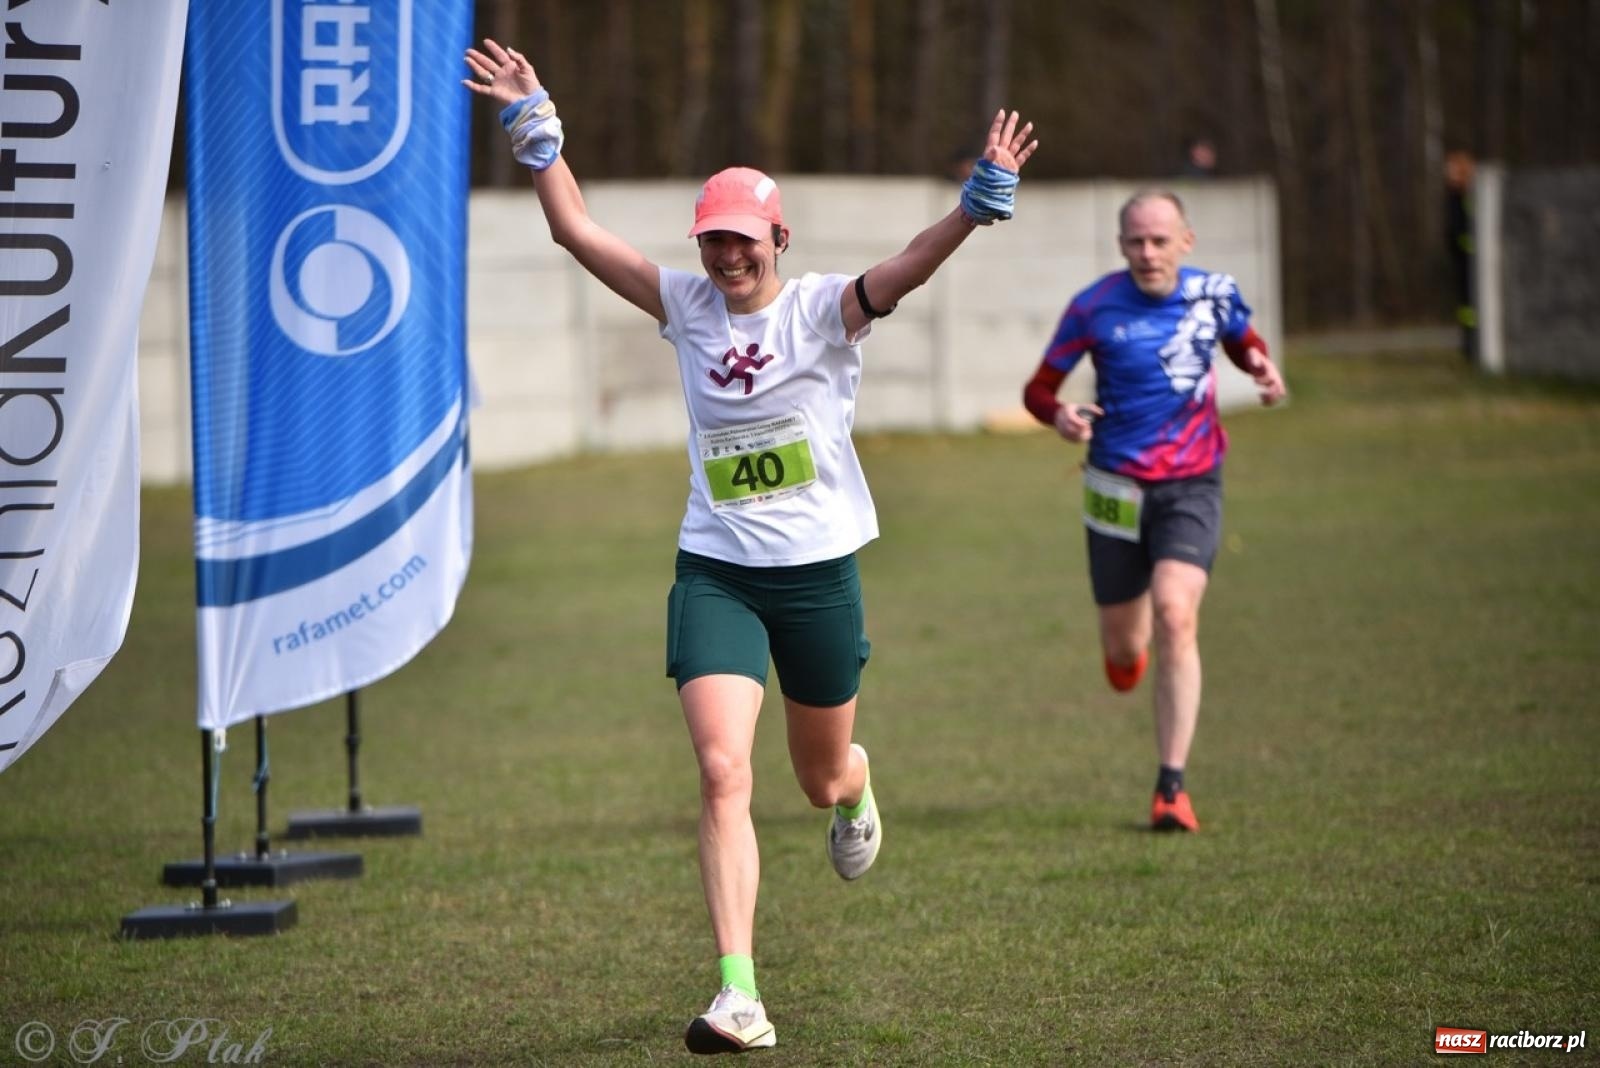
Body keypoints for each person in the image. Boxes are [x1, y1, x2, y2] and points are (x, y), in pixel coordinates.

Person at [463, 38, 1037, 1055]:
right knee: (724, 771)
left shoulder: (821, 311)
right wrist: (534, 126)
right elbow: (576, 233)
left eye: (742, 241)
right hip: (716, 571)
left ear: (776, 236)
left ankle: (856, 787)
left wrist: (973, 206)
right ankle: (739, 993)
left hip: (816, 579)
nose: (726, 258)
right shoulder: (682, 305)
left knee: (816, 778)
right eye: (711, 242)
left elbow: (897, 270)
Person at [1020, 190, 1284, 834]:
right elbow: (1038, 389)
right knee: (1125, 647)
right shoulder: (1093, 307)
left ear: (1185, 242)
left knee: (1175, 612)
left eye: (1160, 240)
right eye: (1136, 241)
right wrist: (1059, 417)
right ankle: (1125, 653)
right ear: (1121, 246)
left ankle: (1172, 786)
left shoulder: (1213, 294)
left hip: (1192, 485)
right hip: (1114, 488)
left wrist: (1263, 370)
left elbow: (1244, 341)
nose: (1148, 252)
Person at [1444, 149, 1477, 361]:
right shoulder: (1453, 196)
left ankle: (1474, 346)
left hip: (1473, 262)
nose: (1449, 175)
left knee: (1472, 307)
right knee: (1466, 308)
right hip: (1462, 260)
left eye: (1454, 171)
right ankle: (1469, 346)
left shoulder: (1470, 195)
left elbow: (1464, 227)